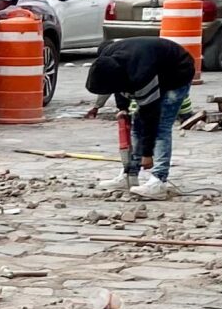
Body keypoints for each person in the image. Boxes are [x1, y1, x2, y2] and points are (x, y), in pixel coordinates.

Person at [82, 36, 197, 198]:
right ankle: (130, 175)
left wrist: (147, 154)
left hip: (177, 72)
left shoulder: (141, 75)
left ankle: (159, 180)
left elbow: (151, 116)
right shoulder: (108, 58)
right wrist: (123, 109)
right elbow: (117, 87)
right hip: (153, 63)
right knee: (136, 125)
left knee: (161, 127)